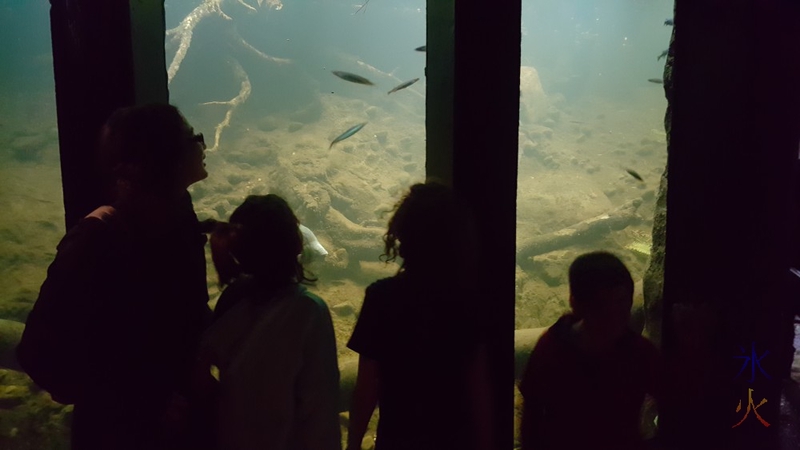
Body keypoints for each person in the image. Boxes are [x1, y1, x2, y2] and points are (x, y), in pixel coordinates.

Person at [17, 103, 213, 450]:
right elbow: (40, 356)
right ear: (162, 158)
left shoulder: (179, 213)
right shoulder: (96, 239)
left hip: (181, 425)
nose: (202, 143)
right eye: (192, 138)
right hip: (121, 434)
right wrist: (143, 403)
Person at [345, 181, 494, 450]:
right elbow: (478, 384)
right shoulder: (468, 299)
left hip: (399, 437)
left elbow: (367, 384)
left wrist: (353, 442)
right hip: (456, 439)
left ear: (402, 235)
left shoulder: (382, 297)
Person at [197, 194, 341, 450]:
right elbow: (319, 406)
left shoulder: (231, 298)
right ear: (297, 245)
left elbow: (201, 371)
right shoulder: (309, 311)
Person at [518, 251, 664, 450]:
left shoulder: (639, 352)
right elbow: (532, 417)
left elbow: (675, 398)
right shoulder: (551, 348)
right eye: (602, 305)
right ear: (575, 303)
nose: (613, 315)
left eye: (620, 302)